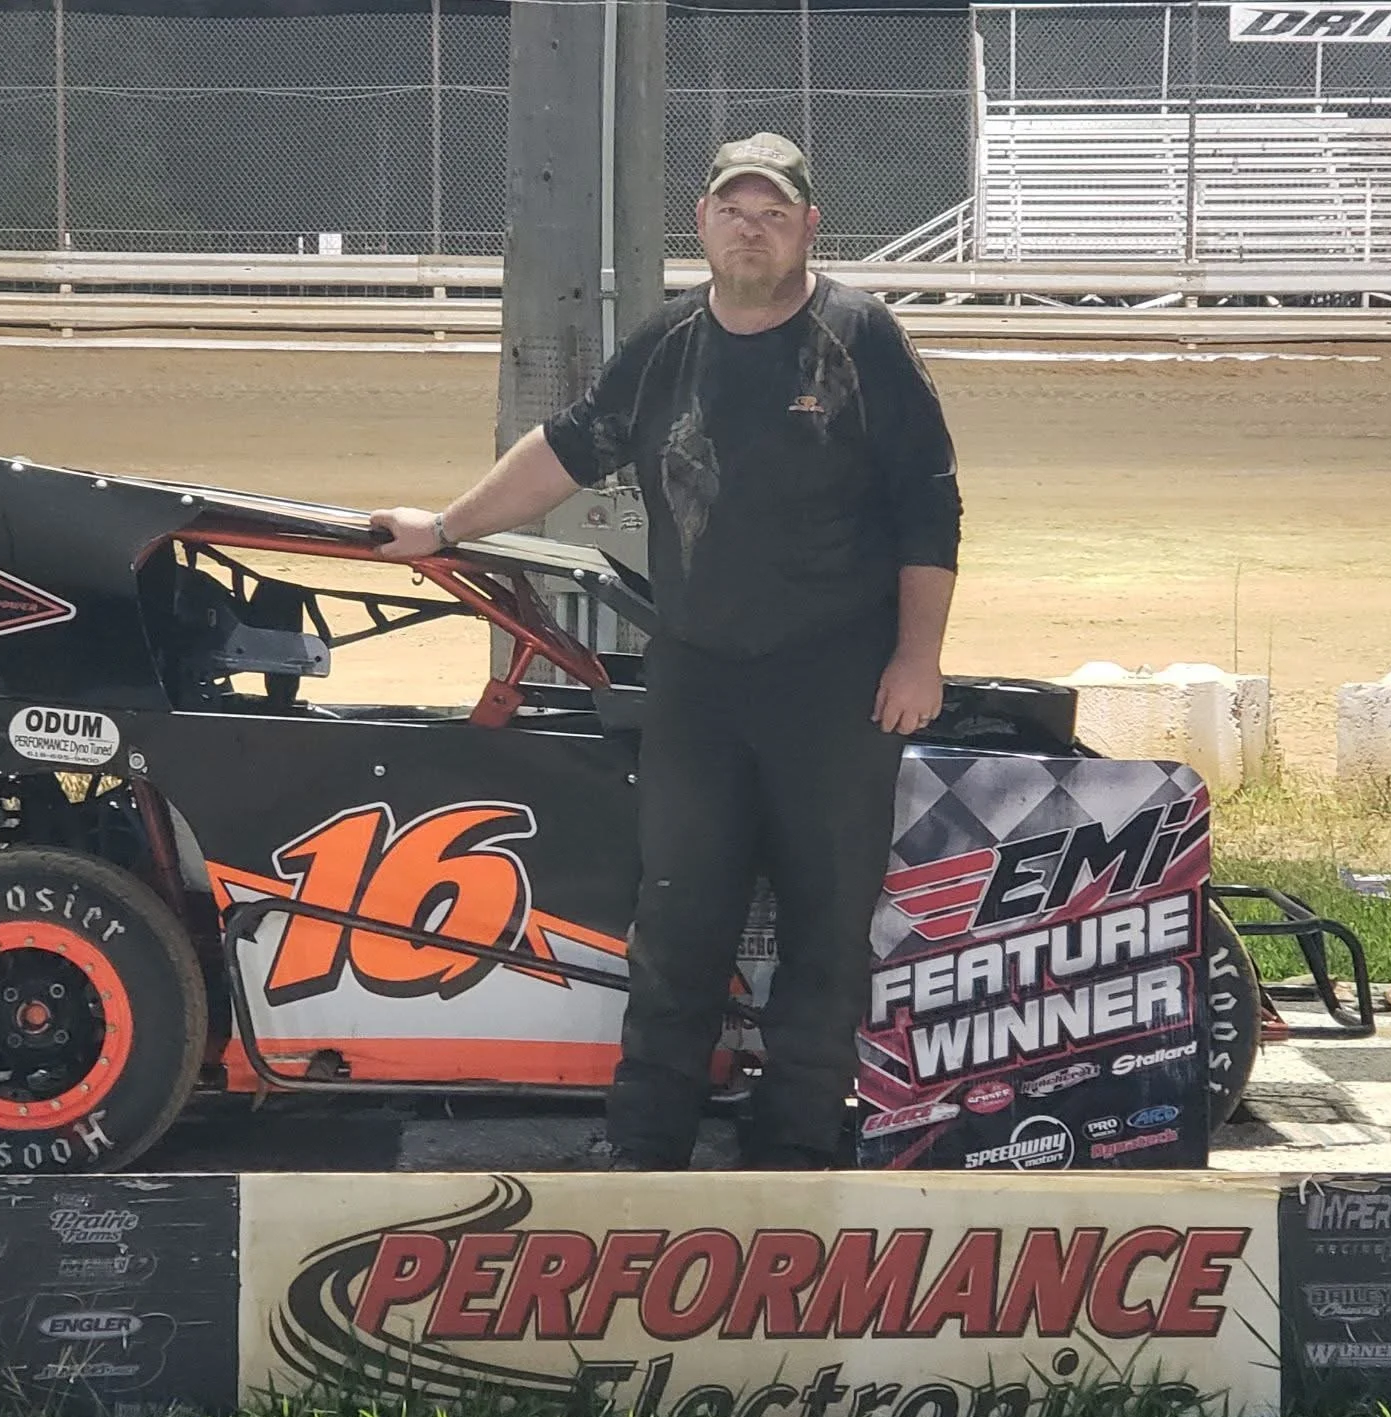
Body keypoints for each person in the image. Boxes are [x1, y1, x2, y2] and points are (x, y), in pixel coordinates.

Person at [371, 131, 962, 1170]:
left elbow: (930, 507)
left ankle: (798, 1151)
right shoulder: (669, 340)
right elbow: (565, 448)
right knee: (677, 925)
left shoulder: (860, 337)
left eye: (774, 212)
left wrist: (918, 658)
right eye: (735, 208)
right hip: (699, 682)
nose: (752, 227)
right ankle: (647, 1151)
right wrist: (447, 530)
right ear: (701, 221)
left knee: (828, 933)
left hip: (837, 686)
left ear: (808, 227)